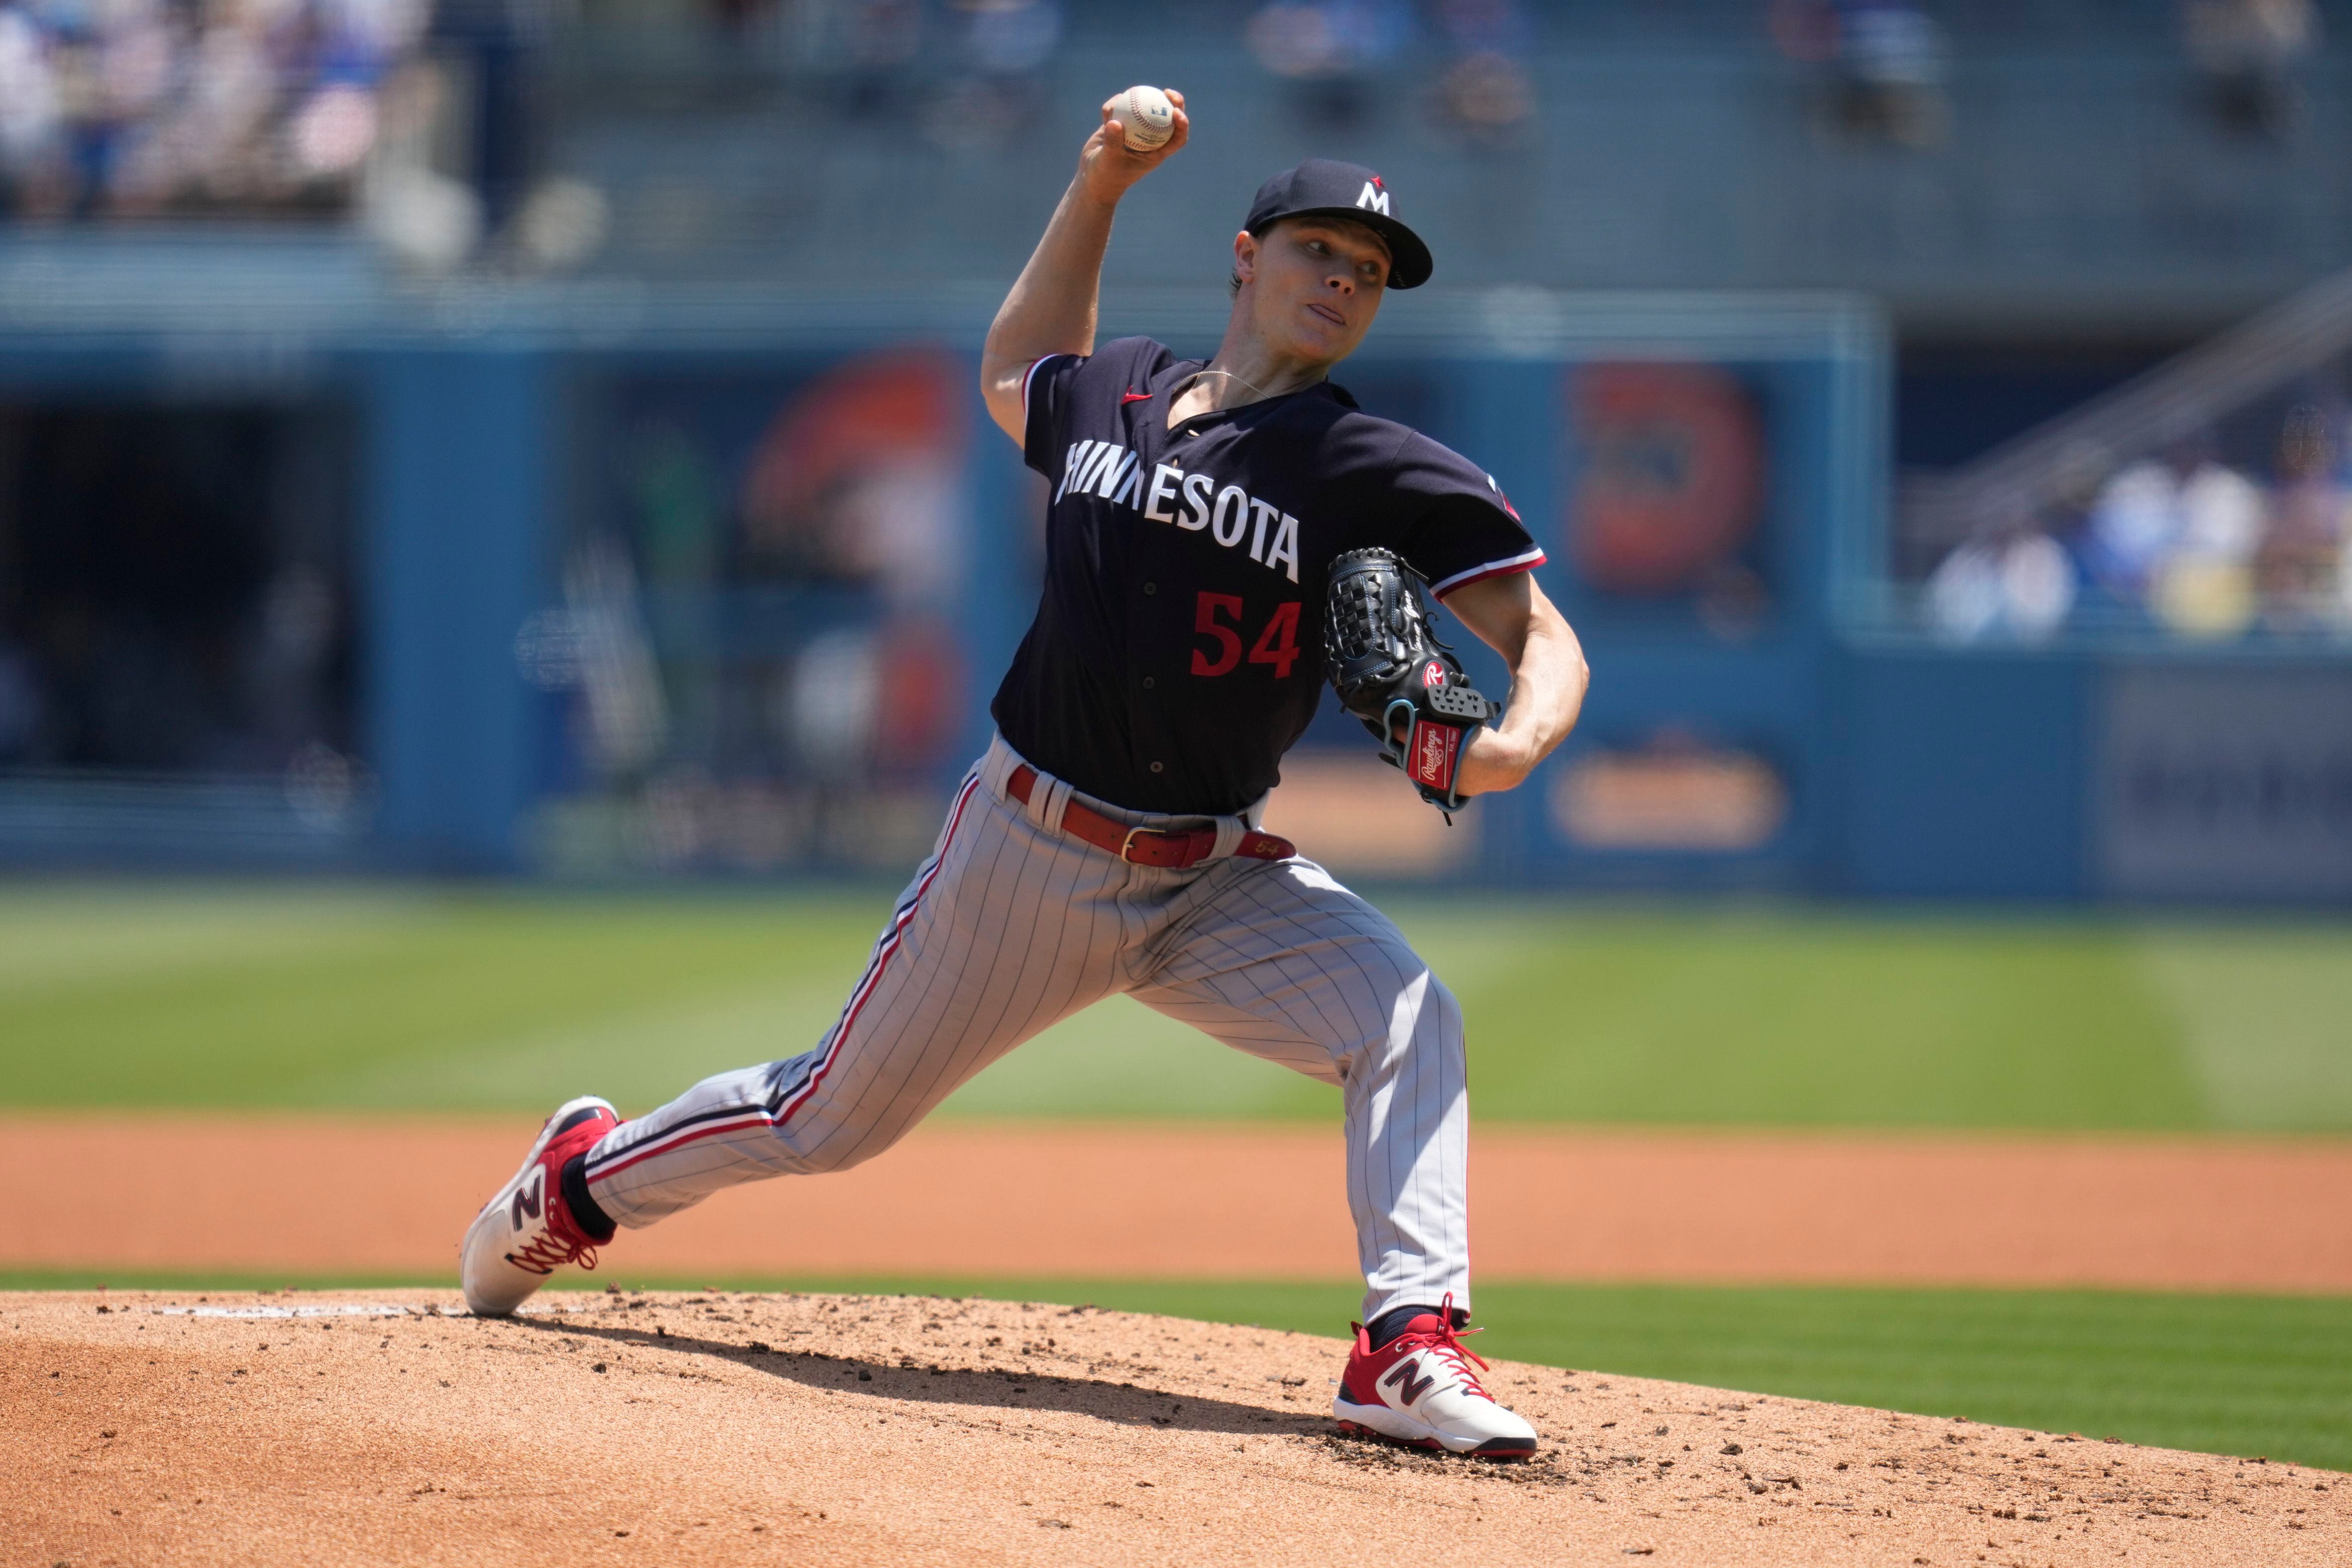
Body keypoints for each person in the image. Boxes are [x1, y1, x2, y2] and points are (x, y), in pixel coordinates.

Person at [460, 90, 1590, 1460]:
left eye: (1365, 274)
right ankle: (580, 1181)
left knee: (1410, 1013)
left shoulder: (1368, 463)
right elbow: (1012, 374)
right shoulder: (1116, 385)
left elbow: (1539, 632)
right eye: (1316, 251)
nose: (1341, 282)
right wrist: (1101, 181)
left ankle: (1403, 1344)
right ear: (1246, 256)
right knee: (826, 1121)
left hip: (1213, 873)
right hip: (1028, 850)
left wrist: (1518, 737)